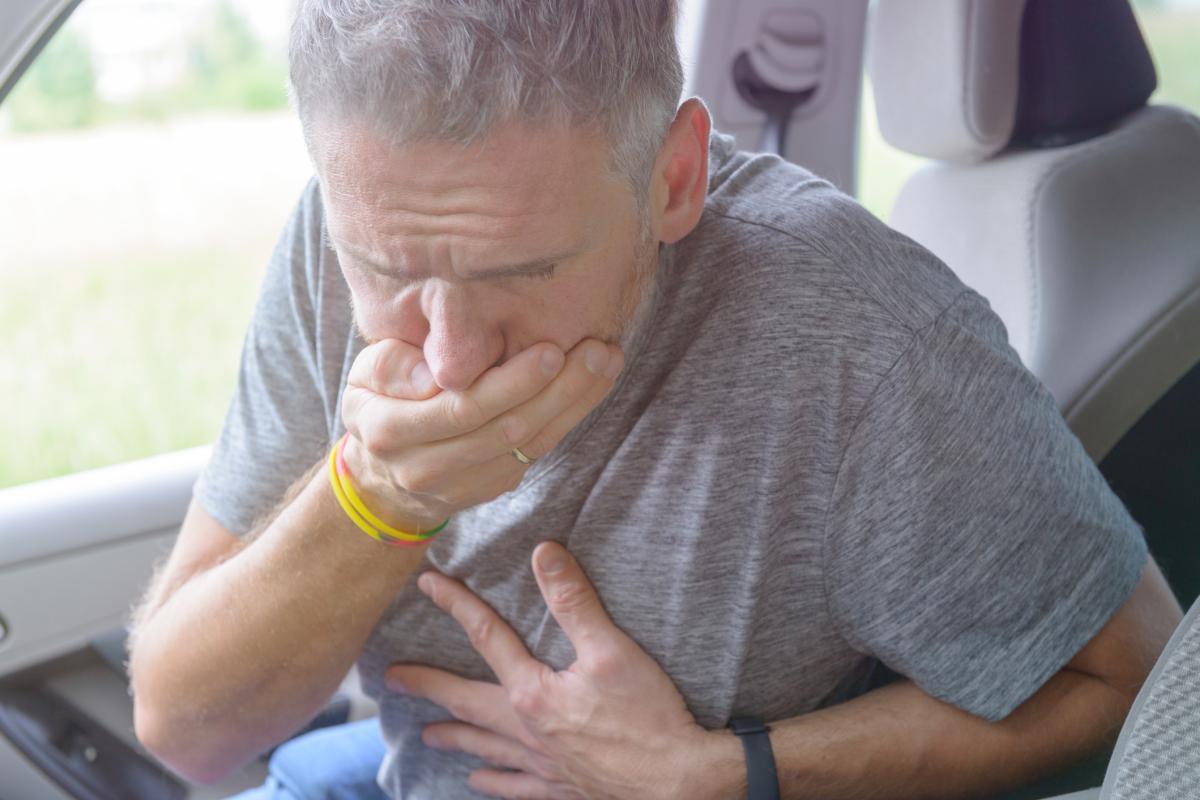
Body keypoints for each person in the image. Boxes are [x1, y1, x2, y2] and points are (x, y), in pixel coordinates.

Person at [126, 1, 1183, 798]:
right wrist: (371, 498)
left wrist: (720, 771)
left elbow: (1135, 679)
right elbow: (183, 728)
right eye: (391, 273)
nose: (447, 356)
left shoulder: (866, 336)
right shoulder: (338, 234)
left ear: (673, 179)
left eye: (522, 273)